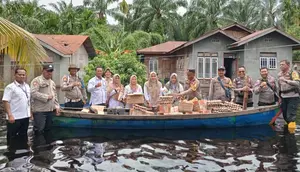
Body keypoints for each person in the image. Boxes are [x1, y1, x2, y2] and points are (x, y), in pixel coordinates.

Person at [2, 68, 31, 149]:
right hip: (14, 117)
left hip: (25, 116)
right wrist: (10, 115)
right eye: (20, 74)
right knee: (12, 137)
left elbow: (28, 101)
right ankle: (12, 154)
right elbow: (6, 101)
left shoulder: (27, 86)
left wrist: (30, 113)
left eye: (23, 75)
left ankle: (23, 153)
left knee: (23, 135)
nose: (22, 76)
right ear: (15, 75)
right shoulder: (10, 87)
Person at [31, 64, 60, 134]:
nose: (50, 73)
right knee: (39, 130)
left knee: (48, 130)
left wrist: (57, 106)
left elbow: (55, 95)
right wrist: (46, 97)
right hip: (40, 111)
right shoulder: (37, 80)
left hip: (50, 110)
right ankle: (37, 144)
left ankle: (47, 144)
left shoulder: (52, 82)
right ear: (43, 71)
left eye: (51, 71)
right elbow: (33, 93)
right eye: (48, 71)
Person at [278, 60, 300, 129]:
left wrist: (286, 80)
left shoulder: (293, 73)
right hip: (283, 97)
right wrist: (279, 97)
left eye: (283, 64)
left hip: (293, 96)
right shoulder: (279, 74)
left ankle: (291, 135)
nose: (281, 66)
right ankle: (287, 132)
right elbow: (279, 86)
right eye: (280, 64)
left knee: (290, 116)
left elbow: (297, 83)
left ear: (288, 65)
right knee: (284, 115)